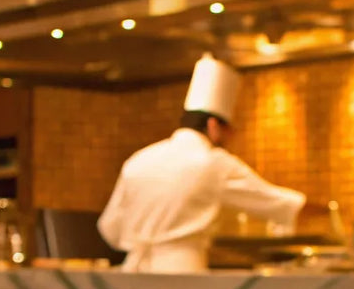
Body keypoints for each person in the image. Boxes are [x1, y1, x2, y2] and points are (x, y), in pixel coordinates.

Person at [97, 54, 305, 273]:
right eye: (229, 130)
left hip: (132, 277)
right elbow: (279, 204)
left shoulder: (138, 160)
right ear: (213, 125)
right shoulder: (214, 164)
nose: (231, 137)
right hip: (184, 275)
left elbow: (110, 227)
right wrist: (326, 213)